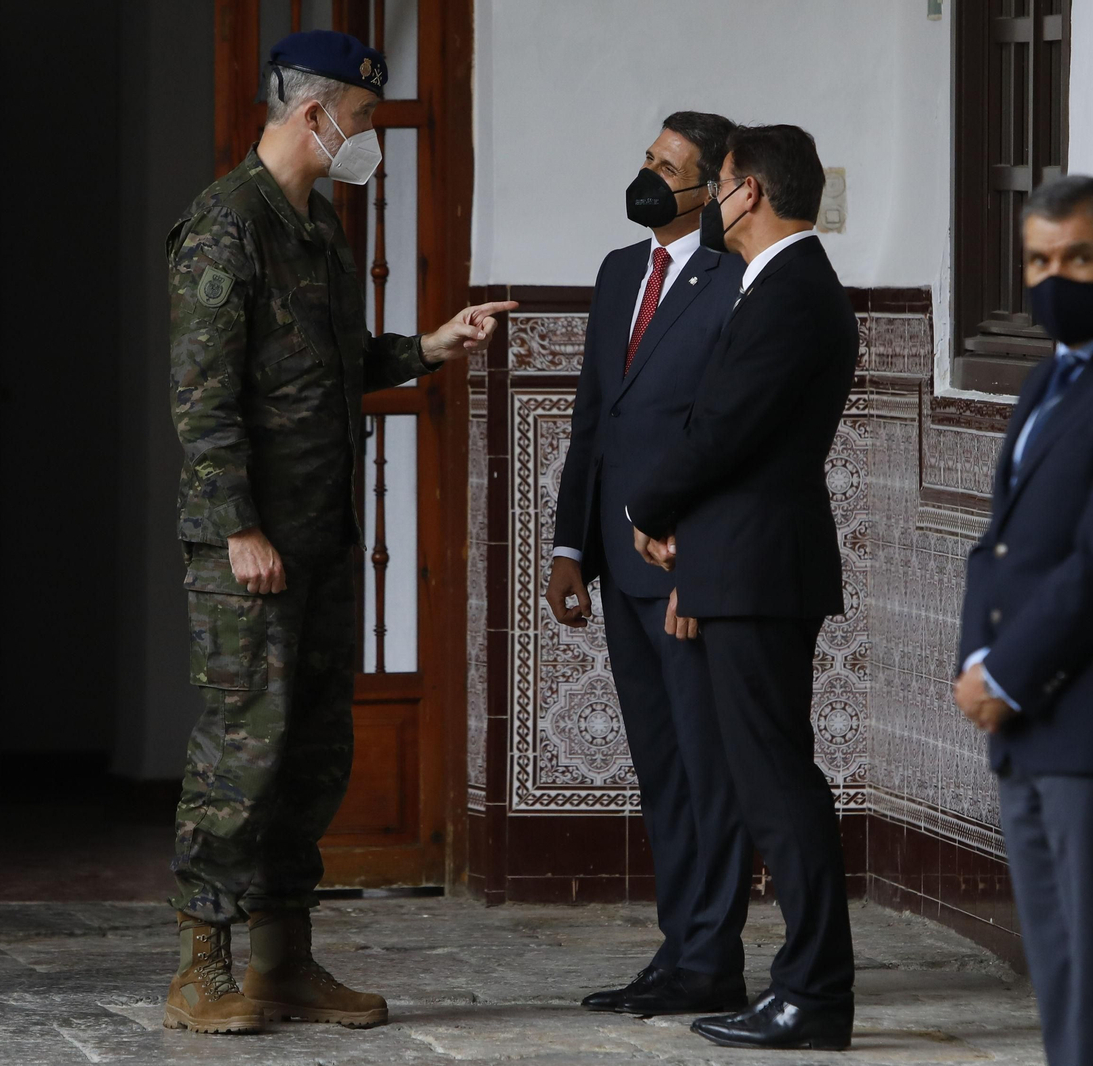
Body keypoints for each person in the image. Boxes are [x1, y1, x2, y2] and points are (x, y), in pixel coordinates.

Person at [164, 30, 515, 1035]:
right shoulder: (226, 227)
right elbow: (202, 403)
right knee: (242, 750)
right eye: (362, 119)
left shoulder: (314, 227)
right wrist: (238, 528)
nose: (370, 137)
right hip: (252, 550)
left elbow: (332, 364)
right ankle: (199, 967)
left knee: (312, 749)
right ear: (314, 113)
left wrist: (429, 348)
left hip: (318, 539)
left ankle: (283, 961)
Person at [628, 124, 858, 1051]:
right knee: (769, 781)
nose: (713, 204)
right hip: (745, 563)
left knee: (777, 785)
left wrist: (651, 501)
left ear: (748, 192)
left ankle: (815, 988)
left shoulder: (793, 290)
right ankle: (801, 985)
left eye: (717, 185)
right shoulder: (779, 285)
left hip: (764, 569)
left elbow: (725, 429)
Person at [953, 175, 1093, 1066]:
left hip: (1086, 724)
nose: (1054, 279)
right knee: (1059, 981)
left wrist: (1006, 674)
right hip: (1023, 724)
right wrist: (977, 655)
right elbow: (999, 543)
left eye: (1076, 258)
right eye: (1038, 261)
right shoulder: (1051, 373)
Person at [546, 112, 751, 1018]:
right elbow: (597, 417)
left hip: (682, 571)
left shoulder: (735, 281)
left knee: (710, 771)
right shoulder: (620, 271)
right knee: (661, 768)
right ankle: (679, 951)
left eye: (670, 167)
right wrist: (567, 548)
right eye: (647, 159)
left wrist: (700, 565)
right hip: (619, 573)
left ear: (709, 190)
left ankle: (714, 958)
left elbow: (725, 439)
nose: (650, 176)